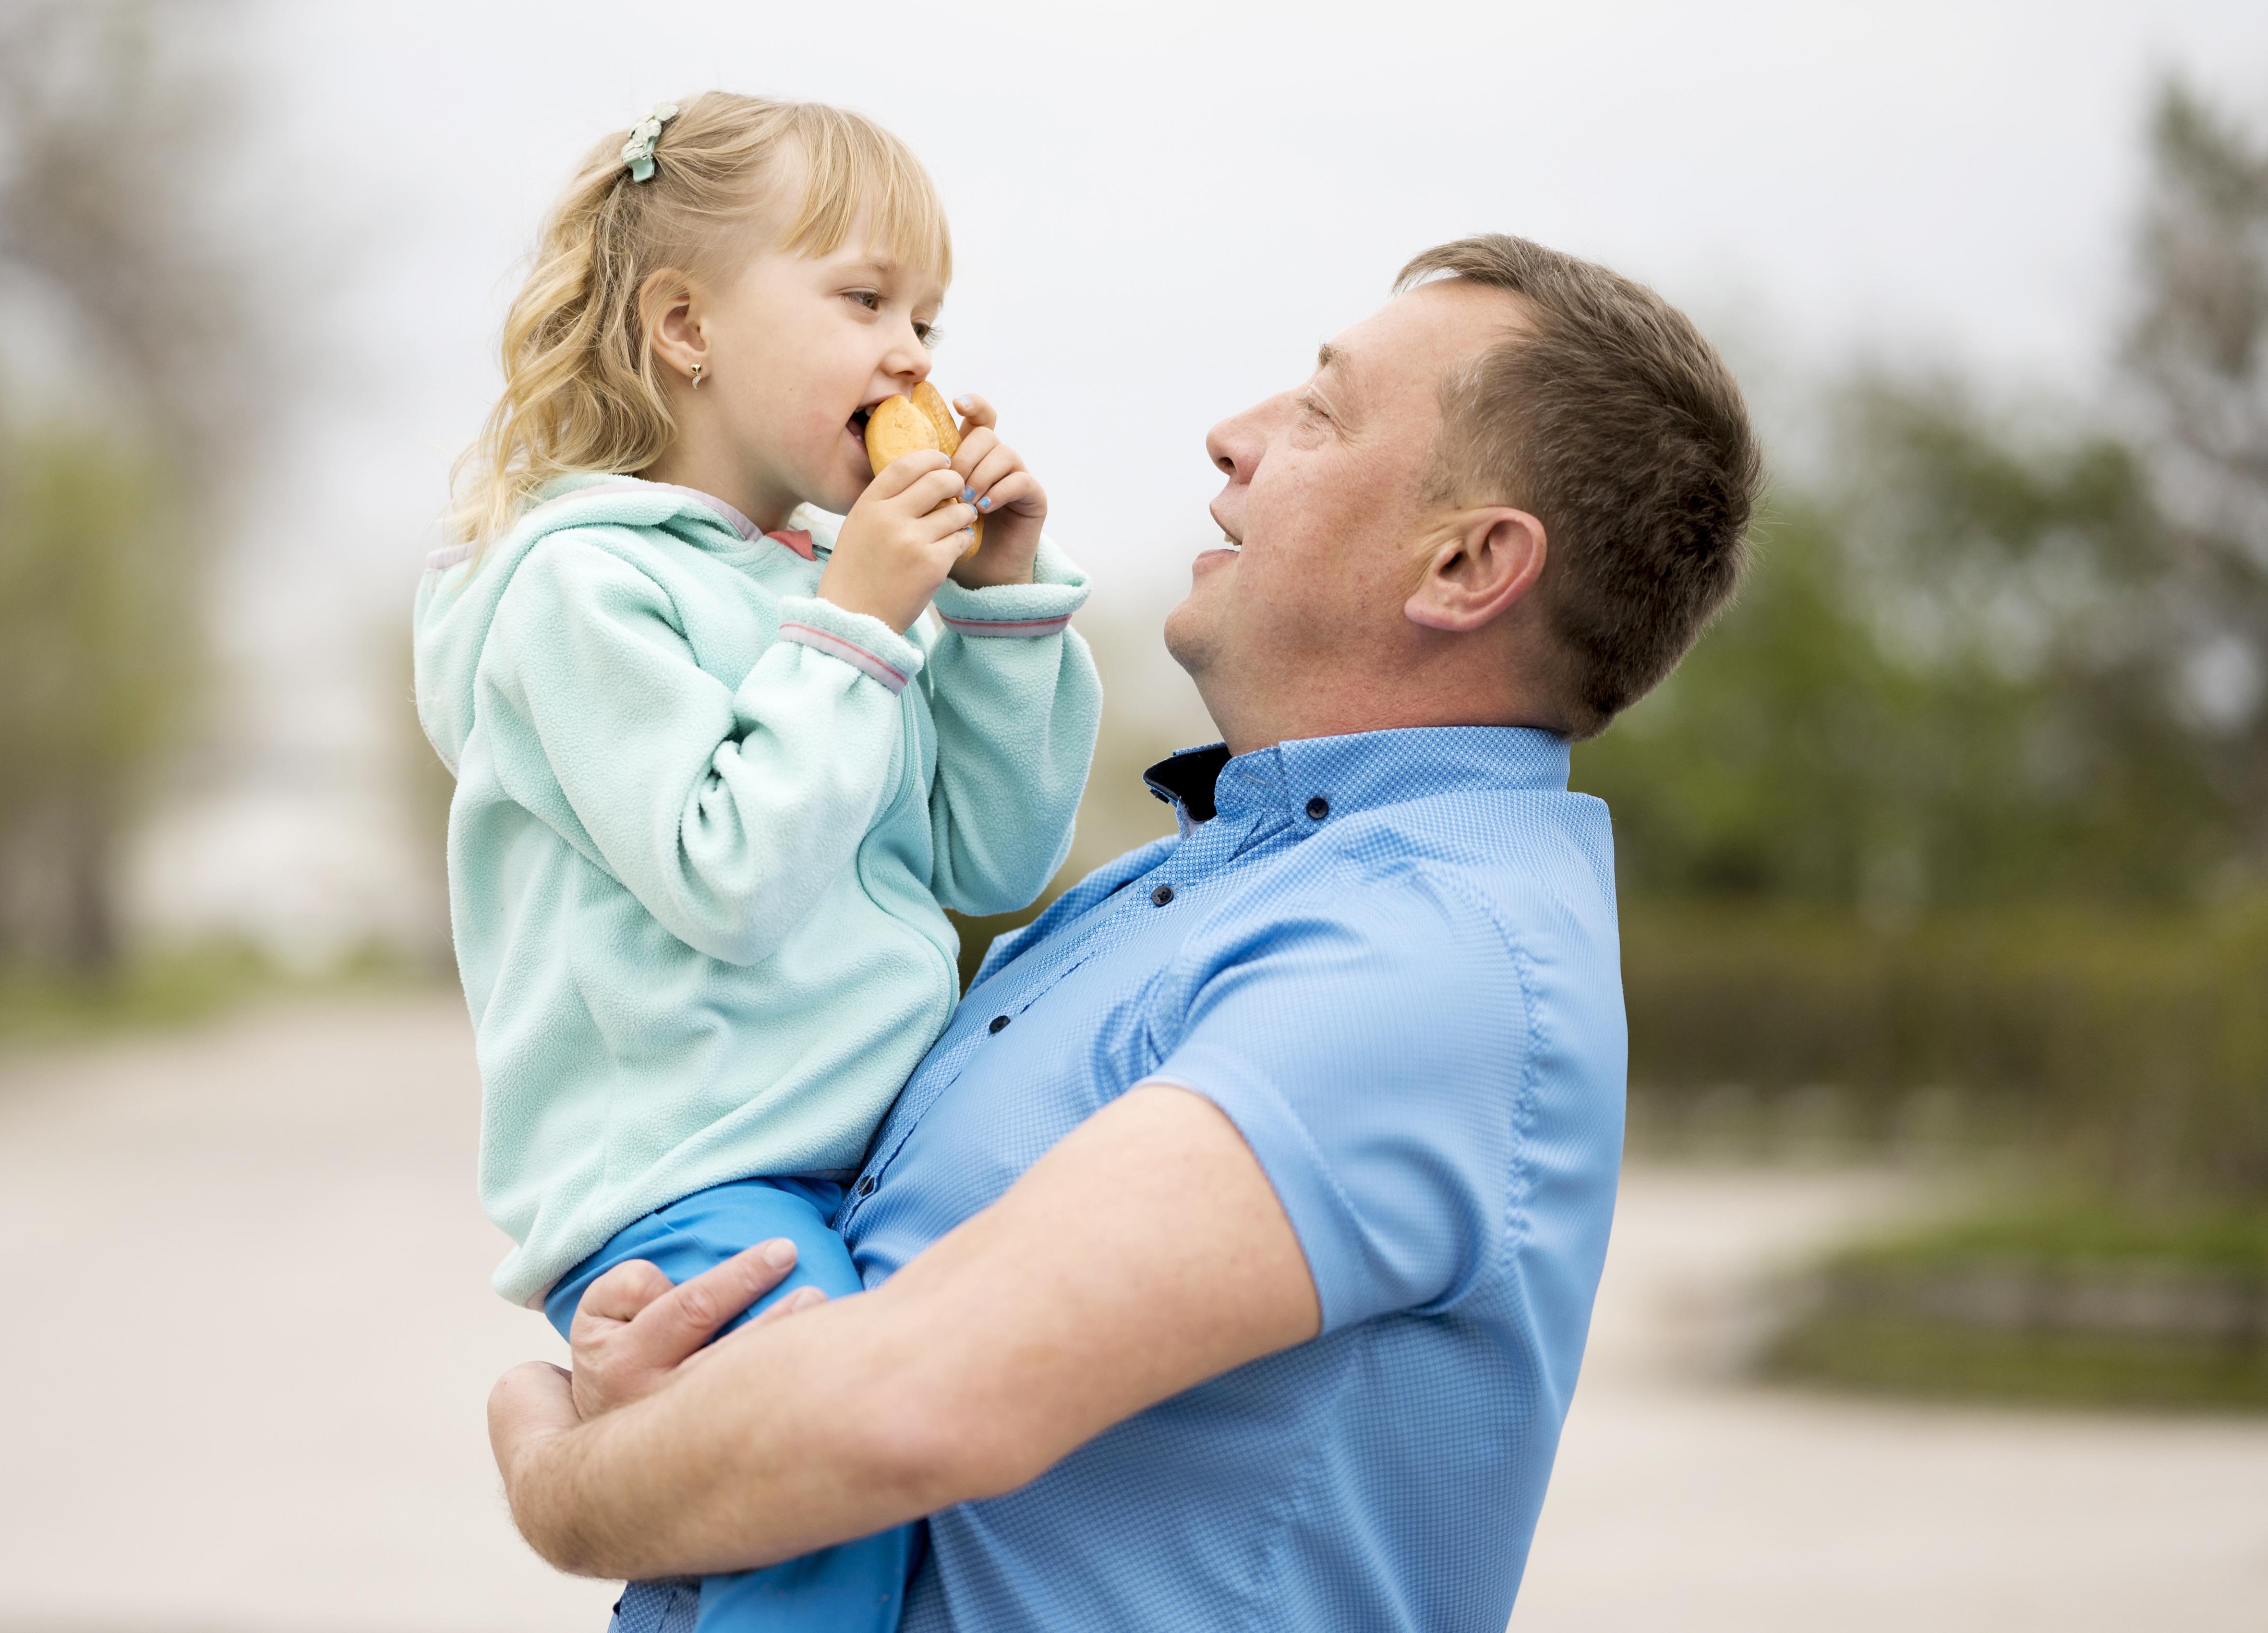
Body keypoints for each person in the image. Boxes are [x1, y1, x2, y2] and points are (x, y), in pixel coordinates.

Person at [487, 235, 1762, 1633]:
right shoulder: (1179, 891)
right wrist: (679, 1362)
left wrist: (562, 1461)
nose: (1233, 436)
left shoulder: (1425, 956)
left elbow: (908, 1401)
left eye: (1321, 412)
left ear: (1466, 564)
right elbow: (841, 1320)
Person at [413, 93, 1102, 1632]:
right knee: (820, 1524)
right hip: (698, 1177)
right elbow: (725, 873)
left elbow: (991, 855)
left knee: (889, 1532)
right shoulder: (579, 592)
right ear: (686, 328)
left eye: (927, 314)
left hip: (862, 1162)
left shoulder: (812, 589)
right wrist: (857, 622)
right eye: (864, 300)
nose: (916, 354)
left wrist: (992, 614)